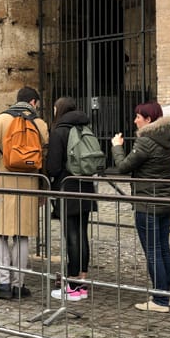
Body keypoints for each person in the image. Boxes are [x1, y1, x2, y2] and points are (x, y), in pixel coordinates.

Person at [0, 86, 49, 299]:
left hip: (4, 182)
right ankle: (18, 284)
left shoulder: (0, 120)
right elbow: (43, 155)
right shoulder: (39, 124)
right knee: (22, 235)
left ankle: (3, 282)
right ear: (33, 102)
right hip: (29, 184)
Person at [111, 101, 170, 313]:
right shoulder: (169, 138)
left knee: (153, 250)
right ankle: (164, 292)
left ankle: (160, 300)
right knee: (163, 247)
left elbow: (123, 167)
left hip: (147, 202)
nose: (135, 120)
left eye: (138, 116)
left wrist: (117, 147)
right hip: (165, 201)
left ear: (148, 119)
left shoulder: (146, 142)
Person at [46, 97, 98, 302]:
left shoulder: (59, 131)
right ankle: (81, 280)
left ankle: (74, 285)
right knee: (82, 234)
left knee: (72, 236)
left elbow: (53, 166)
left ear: (58, 110)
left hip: (66, 187)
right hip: (85, 187)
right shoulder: (85, 128)